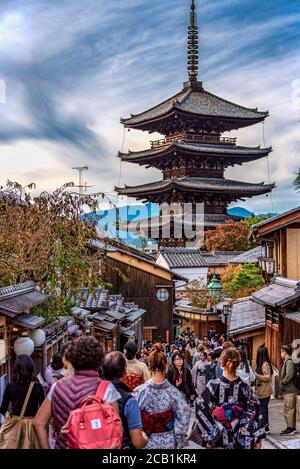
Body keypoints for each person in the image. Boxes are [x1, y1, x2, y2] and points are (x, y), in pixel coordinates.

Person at [33, 337, 121, 449]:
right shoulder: (107, 388)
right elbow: (117, 429)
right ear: (99, 360)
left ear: (71, 358)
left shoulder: (57, 386)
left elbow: (38, 423)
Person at [194, 347, 265, 449]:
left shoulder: (213, 385)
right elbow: (255, 410)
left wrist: (215, 429)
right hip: (240, 436)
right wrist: (256, 436)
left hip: (218, 437)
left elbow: (200, 407)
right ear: (238, 364)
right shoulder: (245, 387)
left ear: (221, 364)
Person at [133, 344, 191, 449]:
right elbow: (184, 417)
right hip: (168, 441)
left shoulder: (139, 392)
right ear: (166, 366)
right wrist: (177, 436)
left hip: (146, 441)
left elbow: (131, 419)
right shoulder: (174, 393)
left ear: (149, 365)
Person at [102, 351, 148, 449]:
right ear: (124, 371)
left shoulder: (94, 393)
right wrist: (145, 436)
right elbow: (138, 442)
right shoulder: (129, 400)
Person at [0, 355, 44, 449]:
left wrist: (10, 416)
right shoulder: (37, 386)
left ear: (16, 368)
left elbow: (3, 408)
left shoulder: (10, 386)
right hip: (32, 427)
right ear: (31, 367)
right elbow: (42, 409)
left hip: (14, 426)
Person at [279, 345, 298, 436]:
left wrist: (282, 382)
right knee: (289, 409)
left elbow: (289, 375)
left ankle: (291, 428)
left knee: (289, 409)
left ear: (285, 352)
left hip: (290, 389)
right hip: (288, 390)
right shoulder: (287, 361)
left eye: (281, 351)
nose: (280, 353)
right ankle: (290, 427)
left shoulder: (289, 362)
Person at [255, 345, 273, 433]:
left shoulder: (265, 364)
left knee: (263, 410)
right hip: (262, 391)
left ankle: (265, 428)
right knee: (263, 409)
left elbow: (268, 377)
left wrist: (256, 375)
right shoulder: (263, 363)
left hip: (265, 391)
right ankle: (264, 427)